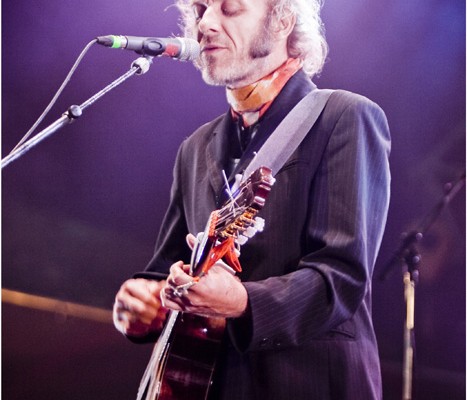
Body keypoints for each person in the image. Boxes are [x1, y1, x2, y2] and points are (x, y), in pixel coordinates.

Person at [113, 0, 391, 399]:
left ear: (282, 20)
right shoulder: (194, 149)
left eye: (229, 8)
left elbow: (341, 278)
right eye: (201, 8)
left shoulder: (344, 117)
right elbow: (165, 273)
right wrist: (142, 305)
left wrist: (243, 301)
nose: (205, 23)